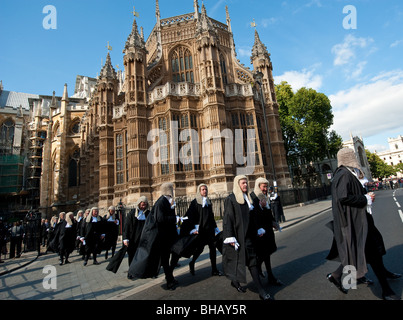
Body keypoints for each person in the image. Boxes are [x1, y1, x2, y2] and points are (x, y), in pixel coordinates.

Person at [326, 147, 401, 300]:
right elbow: (343, 197)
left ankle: (341, 277)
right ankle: (386, 290)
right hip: (356, 223)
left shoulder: (345, 174)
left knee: (361, 251)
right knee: (371, 253)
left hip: (359, 221)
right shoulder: (344, 175)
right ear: (348, 157)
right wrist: (365, 198)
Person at [222, 175, 273, 301]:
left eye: (246, 182)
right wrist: (230, 237)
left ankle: (261, 291)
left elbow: (253, 217)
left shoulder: (248, 198)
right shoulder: (231, 199)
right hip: (238, 236)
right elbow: (227, 218)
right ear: (237, 184)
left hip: (249, 237)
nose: (245, 185)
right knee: (238, 260)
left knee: (252, 262)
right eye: (243, 183)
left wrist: (258, 229)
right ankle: (235, 281)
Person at [128, 182, 180, 290]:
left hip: (168, 235)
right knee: (165, 259)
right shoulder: (161, 202)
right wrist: (175, 219)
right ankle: (169, 280)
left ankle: (170, 276)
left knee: (174, 254)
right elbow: (160, 219)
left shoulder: (167, 201)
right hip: (162, 237)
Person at [180, 184, 222, 277]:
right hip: (201, 231)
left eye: (206, 189)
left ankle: (214, 269)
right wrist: (193, 229)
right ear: (199, 191)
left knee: (213, 249)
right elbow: (190, 217)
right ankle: (192, 262)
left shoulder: (208, 201)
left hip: (209, 230)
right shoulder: (195, 202)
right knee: (199, 249)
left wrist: (216, 228)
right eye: (203, 189)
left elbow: (211, 216)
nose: (205, 191)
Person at [250, 177, 282, 286]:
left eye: (266, 187)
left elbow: (268, 213)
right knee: (264, 254)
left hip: (267, 231)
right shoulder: (253, 197)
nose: (265, 189)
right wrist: (260, 206)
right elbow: (253, 215)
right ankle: (259, 268)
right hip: (260, 233)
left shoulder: (264, 197)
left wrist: (274, 222)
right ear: (258, 186)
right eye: (264, 187)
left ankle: (270, 276)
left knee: (267, 255)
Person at [123, 196, 150, 279]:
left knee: (143, 256)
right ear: (138, 204)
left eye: (145, 205)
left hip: (144, 238)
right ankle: (131, 272)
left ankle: (143, 271)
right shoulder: (132, 214)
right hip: (133, 239)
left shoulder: (148, 213)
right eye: (142, 205)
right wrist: (125, 238)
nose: (143, 206)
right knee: (132, 256)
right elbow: (126, 226)